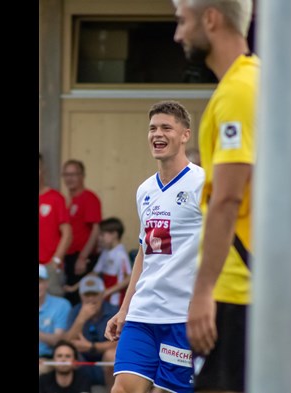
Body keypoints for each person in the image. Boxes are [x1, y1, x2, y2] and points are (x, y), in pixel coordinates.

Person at [173, 1, 259, 392]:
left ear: (210, 18)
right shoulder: (247, 84)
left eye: (182, 21)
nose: (178, 35)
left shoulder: (238, 92)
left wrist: (203, 291)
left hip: (237, 291)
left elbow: (227, 198)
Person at [105, 101, 205, 393]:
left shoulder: (202, 183)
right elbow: (144, 254)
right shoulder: (145, 190)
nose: (156, 134)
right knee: (122, 388)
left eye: (165, 127)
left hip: (182, 316)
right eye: (152, 128)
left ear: (185, 134)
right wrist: (124, 309)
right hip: (143, 313)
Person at [63, 217, 133, 308]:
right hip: (105, 297)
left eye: (102, 235)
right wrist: (74, 287)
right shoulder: (105, 251)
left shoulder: (120, 254)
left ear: (114, 234)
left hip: (116, 300)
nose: (99, 238)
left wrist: (108, 291)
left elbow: (127, 280)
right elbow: (94, 273)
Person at [65, 275, 119, 390]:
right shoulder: (75, 311)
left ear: (102, 294)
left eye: (94, 294)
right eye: (87, 295)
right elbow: (66, 344)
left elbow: (119, 343)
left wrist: (92, 347)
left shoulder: (114, 311)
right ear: (81, 296)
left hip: (106, 362)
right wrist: (81, 319)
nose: (90, 299)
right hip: (82, 361)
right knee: (65, 356)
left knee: (111, 355)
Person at [62, 159, 103, 306]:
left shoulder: (89, 198)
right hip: (67, 258)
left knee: (81, 299)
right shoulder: (66, 200)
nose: (69, 178)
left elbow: (95, 229)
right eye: (66, 174)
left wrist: (82, 257)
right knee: (68, 297)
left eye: (73, 174)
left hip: (82, 259)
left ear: (82, 176)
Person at [40, 153, 72, 295]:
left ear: (42, 170)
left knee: (54, 307)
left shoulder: (55, 198)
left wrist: (56, 260)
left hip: (49, 267)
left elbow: (67, 233)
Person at [40, 264, 73, 375]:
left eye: (40, 281)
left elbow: (58, 340)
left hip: (51, 358)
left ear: (47, 283)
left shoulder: (61, 305)